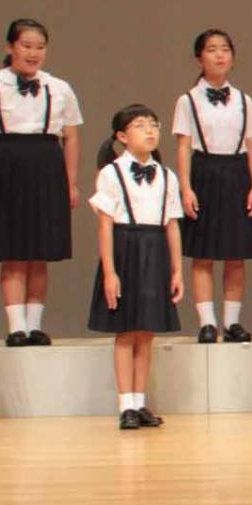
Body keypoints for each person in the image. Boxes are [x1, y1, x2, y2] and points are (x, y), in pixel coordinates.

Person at [0, 18, 82, 347]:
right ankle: (16, 327)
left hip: (47, 165)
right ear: (10, 47)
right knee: (14, 252)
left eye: (40, 47)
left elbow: (71, 137)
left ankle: (35, 325)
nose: (33, 53)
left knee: (40, 252)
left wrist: (70, 182)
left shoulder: (59, 88)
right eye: (26, 46)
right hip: (6, 163)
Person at [89, 105, 183, 430]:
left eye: (154, 125)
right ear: (122, 136)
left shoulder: (167, 175)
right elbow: (104, 227)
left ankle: (140, 401)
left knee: (146, 332)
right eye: (141, 126)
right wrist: (110, 272)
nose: (150, 131)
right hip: (125, 248)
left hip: (155, 249)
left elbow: (172, 225)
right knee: (126, 332)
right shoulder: (110, 173)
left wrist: (176, 270)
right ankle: (125, 404)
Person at [173, 29, 252, 344]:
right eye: (212, 49)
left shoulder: (243, 100)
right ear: (199, 58)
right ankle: (207, 322)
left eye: (225, 49)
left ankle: (232, 322)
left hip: (238, 173)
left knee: (236, 255)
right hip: (204, 171)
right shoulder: (188, 100)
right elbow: (183, 146)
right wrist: (185, 187)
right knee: (204, 254)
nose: (220, 55)